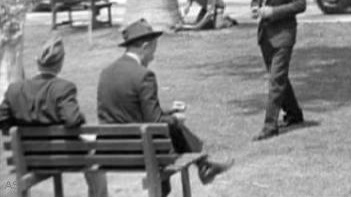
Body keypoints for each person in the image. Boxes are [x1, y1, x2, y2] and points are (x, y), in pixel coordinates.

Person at [97, 19, 233, 195]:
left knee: (169, 129)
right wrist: (175, 118)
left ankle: (204, 164)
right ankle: (203, 164)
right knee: (173, 128)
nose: (153, 57)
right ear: (145, 46)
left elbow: (129, 111)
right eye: (153, 50)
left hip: (110, 152)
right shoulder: (144, 75)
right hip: (141, 153)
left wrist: (169, 111)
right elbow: (156, 123)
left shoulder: (105, 73)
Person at [0, 36, 107, 197]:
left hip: (26, 158)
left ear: (37, 62)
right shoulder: (63, 88)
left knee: (14, 175)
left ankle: (5, 194)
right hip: (64, 158)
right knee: (95, 162)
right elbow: (72, 120)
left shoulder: (14, 89)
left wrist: (17, 130)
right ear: (60, 64)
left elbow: (3, 120)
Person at [248, 0, 306, 141]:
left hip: (283, 36)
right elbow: (256, 0)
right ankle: (294, 114)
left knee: (275, 80)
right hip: (265, 36)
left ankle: (270, 125)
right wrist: (256, 9)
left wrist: (273, 12)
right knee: (279, 78)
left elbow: (300, 5)